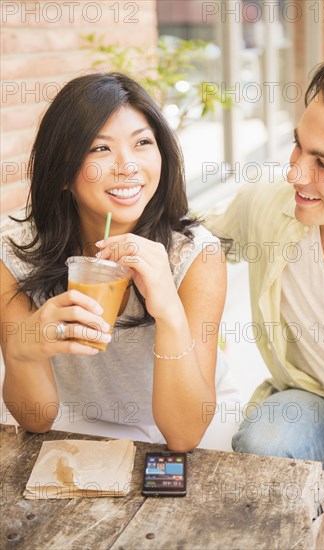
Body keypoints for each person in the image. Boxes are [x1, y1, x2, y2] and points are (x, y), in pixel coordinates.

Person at [205, 50, 324, 548]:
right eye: (297, 148)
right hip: (323, 412)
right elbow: (190, 241)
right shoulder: (271, 208)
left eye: (323, 163)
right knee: (265, 442)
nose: (295, 174)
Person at [0, 72, 239, 452]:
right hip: (69, 421)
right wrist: (23, 348)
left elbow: (184, 434)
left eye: (143, 142)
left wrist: (168, 308)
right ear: (62, 173)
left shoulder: (195, 256)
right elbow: (36, 418)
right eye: (100, 149)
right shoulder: (16, 254)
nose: (127, 166)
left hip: (180, 423)